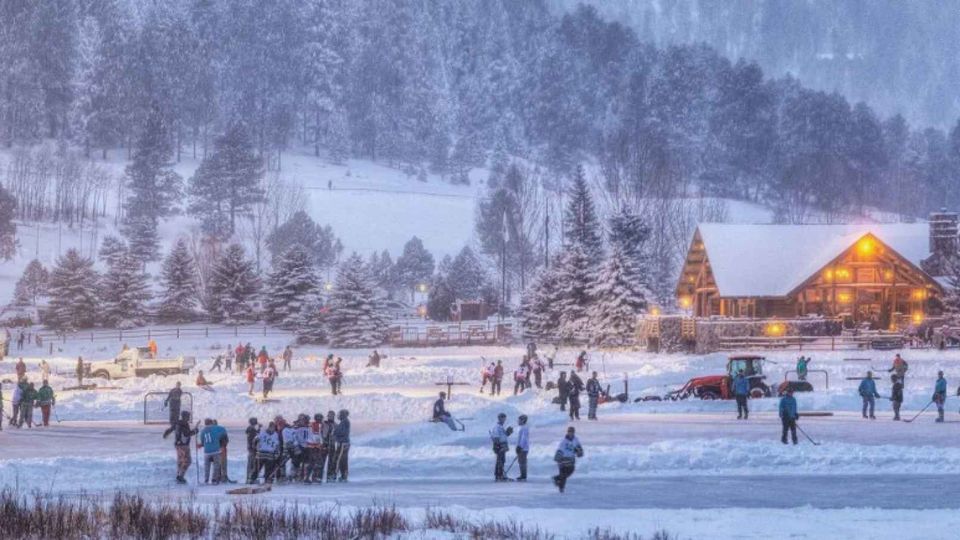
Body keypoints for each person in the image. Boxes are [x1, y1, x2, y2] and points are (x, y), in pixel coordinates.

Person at [163, 411, 198, 484]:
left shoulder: (177, 423)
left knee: (180, 460)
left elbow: (170, 429)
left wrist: (166, 434)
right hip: (184, 445)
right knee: (187, 461)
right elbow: (186, 434)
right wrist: (194, 431)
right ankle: (180, 476)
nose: (189, 418)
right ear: (184, 416)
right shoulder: (184, 424)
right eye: (188, 416)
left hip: (178, 444)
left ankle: (178, 475)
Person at [552, 426, 583, 493]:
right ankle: (561, 488)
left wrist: (580, 452)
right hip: (563, 459)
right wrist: (558, 458)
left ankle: (556, 478)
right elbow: (560, 449)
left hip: (571, 460)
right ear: (567, 432)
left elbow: (578, 447)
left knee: (570, 471)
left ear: (574, 433)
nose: (570, 433)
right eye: (569, 432)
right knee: (563, 474)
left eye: (572, 432)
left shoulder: (575, 439)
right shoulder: (564, 441)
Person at [198, 418, 228, 484]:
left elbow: (202, 442)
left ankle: (206, 479)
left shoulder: (203, 431)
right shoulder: (216, 429)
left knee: (207, 466)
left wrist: (200, 445)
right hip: (215, 451)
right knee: (216, 465)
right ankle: (214, 479)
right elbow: (223, 431)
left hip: (207, 452)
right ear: (211, 423)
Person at [489, 413, 513, 481]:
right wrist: (497, 446)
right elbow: (496, 437)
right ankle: (499, 475)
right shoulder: (497, 427)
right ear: (499, 418)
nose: (504, 420)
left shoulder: (501, 427)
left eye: (505, 418)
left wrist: (507, 433)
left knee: (502, 460)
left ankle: (500, 474)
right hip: (500, 446)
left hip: (503, 445)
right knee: (500, 461)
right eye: (503, 418)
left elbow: (503, 436)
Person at [333, 409, 351, 481]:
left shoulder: (345, 422)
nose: (339, 416)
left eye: (340, 414)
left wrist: (335, 434)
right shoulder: (343, 422)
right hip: (343, 443)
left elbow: (342, 432)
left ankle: (341, 475)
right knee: (342, 460)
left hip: (343, 443)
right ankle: (343, 475)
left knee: (340, 460)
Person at [321, 410, 337, 482]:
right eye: (329, 415)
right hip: (324, 444)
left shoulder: (336, 425)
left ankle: (330, 476)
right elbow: (320, 433)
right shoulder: (324, 424)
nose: (330, 416)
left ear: (334, 416)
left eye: (332, 415)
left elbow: (336, 435)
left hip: (332, 445)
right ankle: (319, 476)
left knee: (332, 462)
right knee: (321, 461)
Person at [245, 418, 261, 484]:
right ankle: (251, 479)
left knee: (251, 464)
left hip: (251, 449)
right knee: (252, 464)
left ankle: (249, 478)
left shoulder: (250, 429)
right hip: (253, 449)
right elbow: (255, 438)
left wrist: (259, 429)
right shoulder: (252, 430)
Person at [515, 415, 530, 481]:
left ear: (523, 420)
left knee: (522, 462)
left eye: (519, 420)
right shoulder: (522, 428)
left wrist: (520, 447)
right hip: (522, 448)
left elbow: (524, 439)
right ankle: (523, 475)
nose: (518, 421)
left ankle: (523, 476)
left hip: (523, 448)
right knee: (521, 462)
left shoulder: (524, 428)